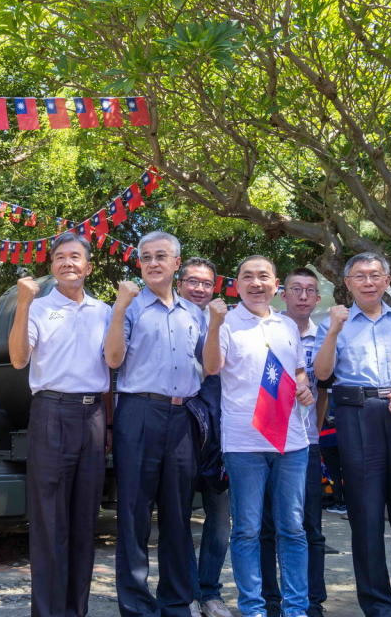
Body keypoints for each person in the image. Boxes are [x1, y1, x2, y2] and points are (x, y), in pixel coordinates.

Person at [313, 252, 391, 617]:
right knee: (365, 514)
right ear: (347, 284)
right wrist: (333, 330)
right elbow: (321, 375)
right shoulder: (333, 324)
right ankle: (378, 605)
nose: (368, 282)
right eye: (360, 276)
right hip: (357, 416)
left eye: (375, 275)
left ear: (387, 280)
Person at [204, 255, 314, 617]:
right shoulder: (226, 321)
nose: (255, 283)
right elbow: (211, 367)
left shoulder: (286, 325)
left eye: (263, 276)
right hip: (244, 444)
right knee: (247, 531)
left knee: (292, 530)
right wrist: (217, 323)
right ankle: (253, 608)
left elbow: (298, 372)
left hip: (292, 443)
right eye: (247, 276)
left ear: (275, 283)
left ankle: (296, 608)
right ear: (235, 283)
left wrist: (304, 389)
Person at [8, 232, 111, 617]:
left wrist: (109, 425)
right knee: (51, 524)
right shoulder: (36, 307)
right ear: (52, 266)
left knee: (85, 523)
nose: (67, 263)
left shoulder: (104, 311)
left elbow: (113, 369)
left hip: (93, 417)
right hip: (52, 413)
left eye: (75, 256)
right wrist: (22, 304)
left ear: (88, 266)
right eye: (59, 258)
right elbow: (19, 359)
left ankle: (76, 611)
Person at [105, 230, 206, 617]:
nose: (153, 263)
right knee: (133, 512)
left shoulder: (194, 313)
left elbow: (212, 365)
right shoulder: (129, 307)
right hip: (139, 412)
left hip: (184, 416)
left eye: (161, 256)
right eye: (145, 257)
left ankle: (177, 602)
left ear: (177, 264)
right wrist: (118, 307)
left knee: (179, 513)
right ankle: (136, 606)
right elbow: (113, 360)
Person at [261, 268, 328, 617]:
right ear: (281, 293)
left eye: (310, 291)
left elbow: (323, 391)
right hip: (264, 442)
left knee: (309, 526)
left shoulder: (324, 336)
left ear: (317, 299)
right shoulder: (267, 331)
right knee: (267, 527)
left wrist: (311, 435)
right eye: (296, 289)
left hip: (305, 444)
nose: (303, 296)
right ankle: (271, 600)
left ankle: (311, 600)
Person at [178, 258, 234, 617]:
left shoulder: (229, 321)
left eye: (206, 283)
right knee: (177, 514)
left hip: (221, 427)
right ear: (179, 282)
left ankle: (209, 591)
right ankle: (184, 591)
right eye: (192, 281)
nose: (199, 288)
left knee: (220, 517)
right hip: (180, 426)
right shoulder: (167, 315)